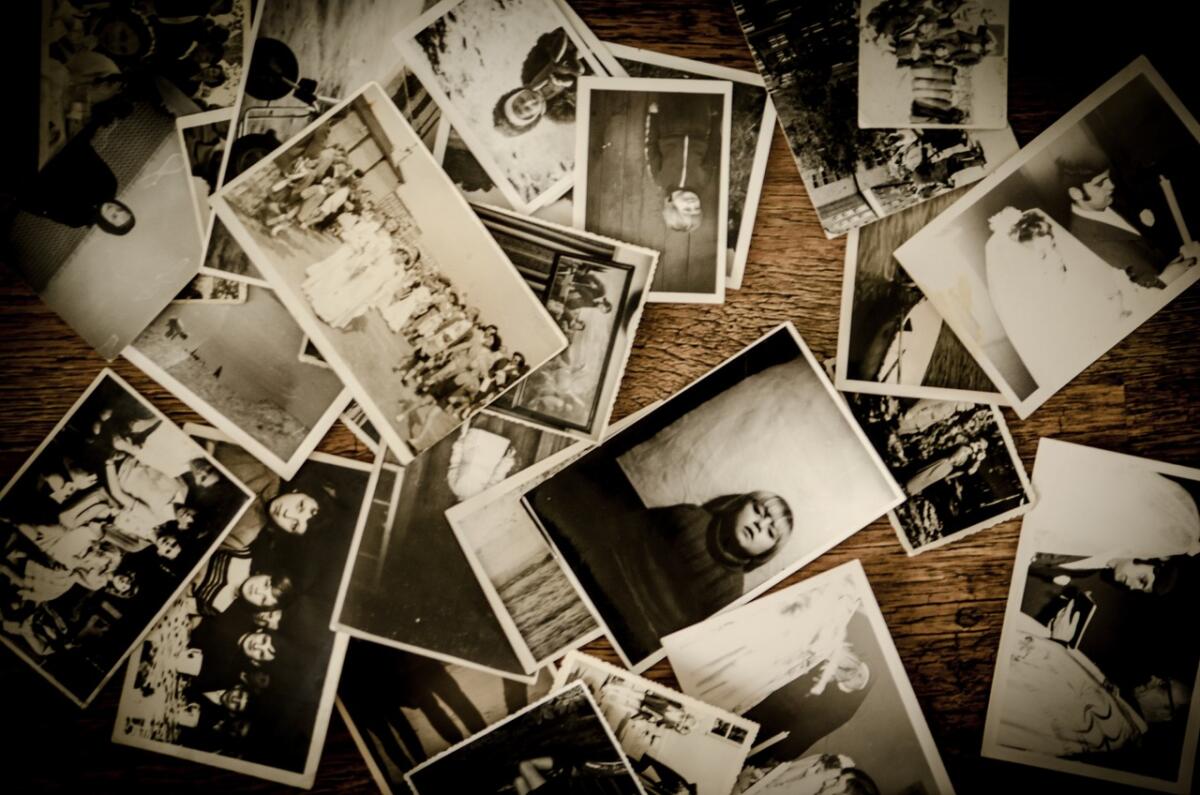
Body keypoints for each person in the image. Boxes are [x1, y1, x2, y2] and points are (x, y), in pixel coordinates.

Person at [1058, 151, 1200, 288]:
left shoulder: (1106, 200)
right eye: (1100, 183)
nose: (1111, 185)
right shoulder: (1088, 244)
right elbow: (1144, 288)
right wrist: (1167, 279)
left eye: (1108, 177)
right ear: (1076, 193)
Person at [645, 93, 721, 233]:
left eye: (687, 209)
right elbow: (713, 149)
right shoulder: (703, 180)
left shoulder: (660, 179)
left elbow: (651, 147)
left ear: (672, 205)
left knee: (670, 94)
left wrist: (654, 117)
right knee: (700, 96)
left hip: (669, 127)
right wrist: (715, 120)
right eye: (696, 208)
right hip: (699, 127)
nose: (692, 204)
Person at [903, 439, 987, 495]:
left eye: (979, 445)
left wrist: (977, 460)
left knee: (927, 476)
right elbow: (955, 459)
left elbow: (968, 470)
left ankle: (909, 487)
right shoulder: (966, 450)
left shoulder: (968, 453)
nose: (976, 443)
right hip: (946, 465)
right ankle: (910, 487)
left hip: (946, 465)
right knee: (927, 475)